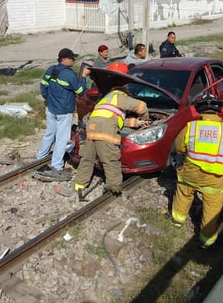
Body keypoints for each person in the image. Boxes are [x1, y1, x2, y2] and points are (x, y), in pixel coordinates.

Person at [170, 95, 223, 248]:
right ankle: (206, 240)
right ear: (217, 112)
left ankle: (177, 220)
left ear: (200, 110)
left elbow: (179, 147)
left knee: (183, 193)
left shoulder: (191, 127)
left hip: (190, 174)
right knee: (212, 206)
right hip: (213, 179)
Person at [74, 85, 149, 199]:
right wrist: (145, 118)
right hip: (105, 129)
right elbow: (142, 106)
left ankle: (79, 184)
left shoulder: (105, 100)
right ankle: (113, 187)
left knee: (88, 157)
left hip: (92, 127)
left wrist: (137, 123)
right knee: (110, 158)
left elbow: (116, 118)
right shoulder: (120, 96)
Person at [37, 48, 90, 180]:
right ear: (64, 59)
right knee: (61, 139)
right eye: (72, 58)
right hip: (64, 112)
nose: (74, 60)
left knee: (49, 133)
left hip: (51, 109)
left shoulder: (51, 70)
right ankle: (57, 166)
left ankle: (40, 159)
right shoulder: (69, 75)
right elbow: (80, 91)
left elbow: (43, 86)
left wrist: (48, 99)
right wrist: (83, 77)